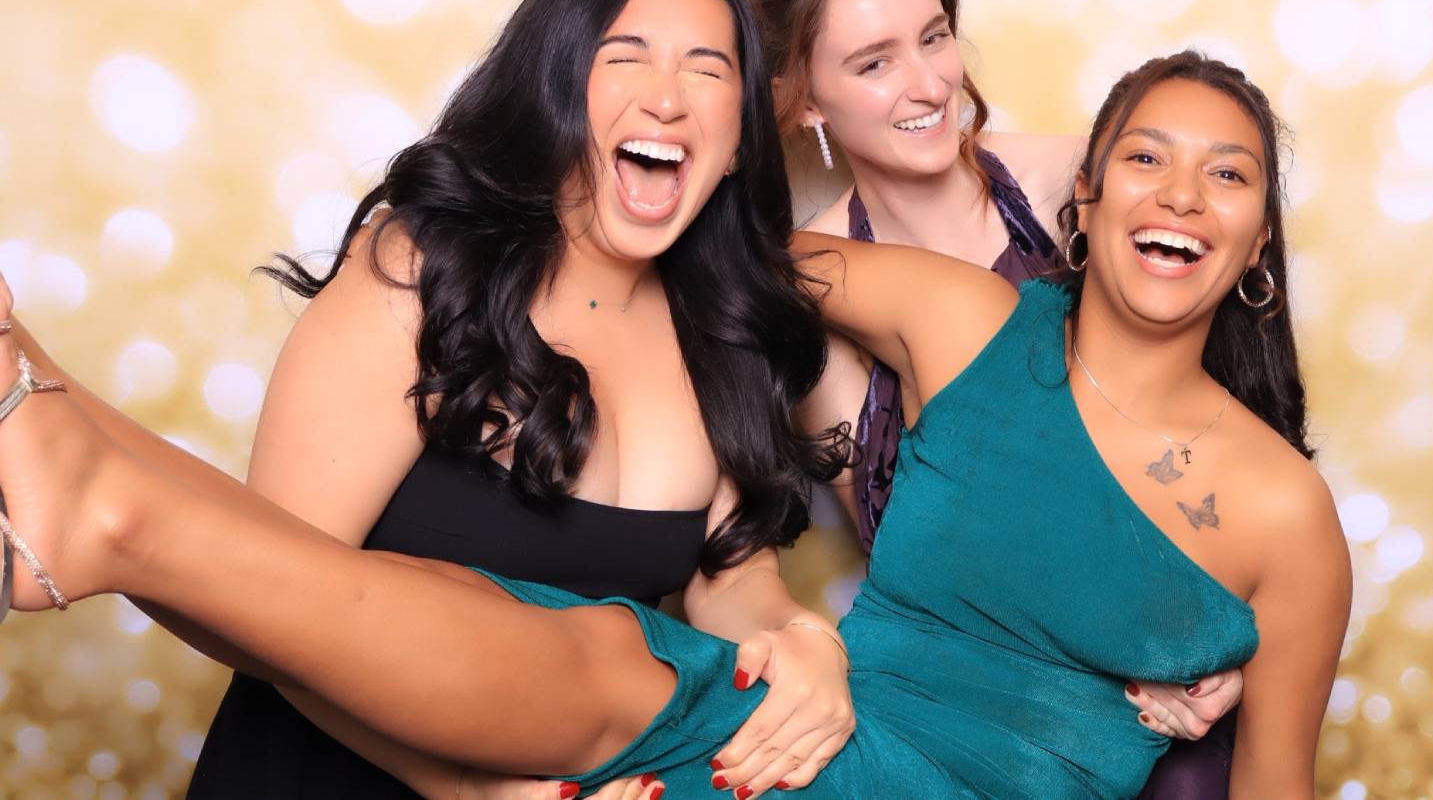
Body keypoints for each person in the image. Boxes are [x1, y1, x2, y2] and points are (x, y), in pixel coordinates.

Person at [0, 50, 1351, 799]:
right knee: (567, 631)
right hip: (808, 718)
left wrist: (1196, 696)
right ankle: (79, 457)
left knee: (596, 667)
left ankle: (89, 479)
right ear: (1085, 196)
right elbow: (704, 228)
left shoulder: (1284, 512)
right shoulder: (971, 324)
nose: (1179, 193)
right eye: (1141, 157)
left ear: (1254, 241)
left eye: (1225, 173)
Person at [112, 0, 859, 800]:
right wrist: (470, 791)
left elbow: (731, 576)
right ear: (555, 95)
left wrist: (803, 639)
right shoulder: (425, 271)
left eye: (706, 69)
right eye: (626, 56)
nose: (666, 98)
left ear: (735, 142)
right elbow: (265, 602)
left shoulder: (725, 330)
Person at [732, 0, 1246, 790]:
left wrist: (1216, 640)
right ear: (806, 99)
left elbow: (1223, 438)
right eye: (873, 62)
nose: (928, 84)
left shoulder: (1079, 182)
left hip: (1167, 663)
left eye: (933, 38)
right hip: (987, 700)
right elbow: (917, 557)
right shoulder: (812, 294)